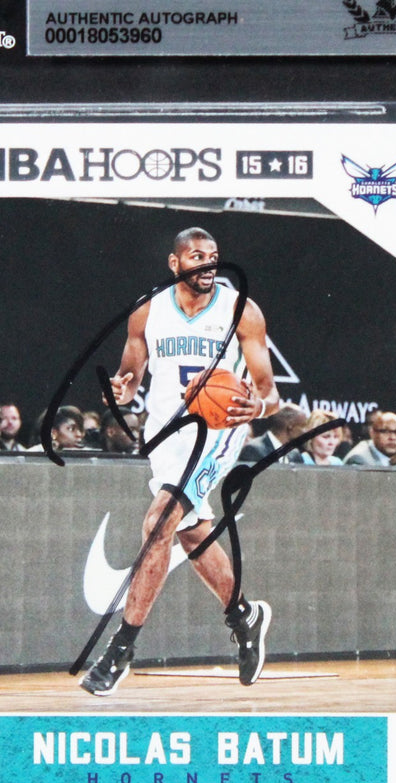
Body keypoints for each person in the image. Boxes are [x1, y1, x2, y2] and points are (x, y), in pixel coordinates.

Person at [81, 227, 280, 696]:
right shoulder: (148, 310)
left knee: (159, 522)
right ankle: (244, 616)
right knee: (190, 532)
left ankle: (119, 651)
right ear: (175, 264)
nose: (208, 264)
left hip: (218, 432)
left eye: (214, 256)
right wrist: (120, 390)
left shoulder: (241, 310)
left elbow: (269, 391)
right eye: (197, 256)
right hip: (166, 435)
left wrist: (258, 407)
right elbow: (130, 377)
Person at [238, 404, 307, 463]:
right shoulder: (253, 450)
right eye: (303, 426)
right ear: (291, 426)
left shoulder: (295, 455)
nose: (305, 431)